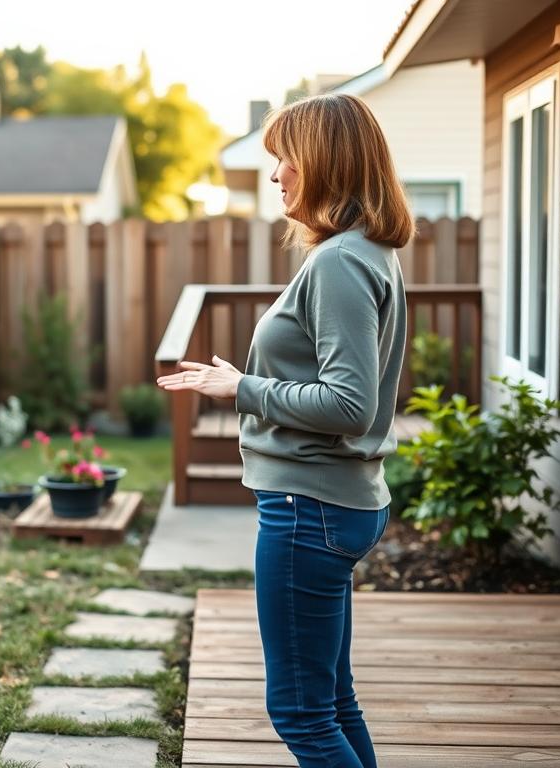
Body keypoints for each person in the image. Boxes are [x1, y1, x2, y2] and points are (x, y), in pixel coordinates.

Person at [157, 93, 412, 767]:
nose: (276, 176)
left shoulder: (340, 262)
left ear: (325, 163)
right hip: (334, 501)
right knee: (332, 701)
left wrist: (241, 387)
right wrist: (242, 382)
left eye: (286, 159)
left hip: (311, 508)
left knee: (300, 712)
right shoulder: (361, 253)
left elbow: (348, 403)